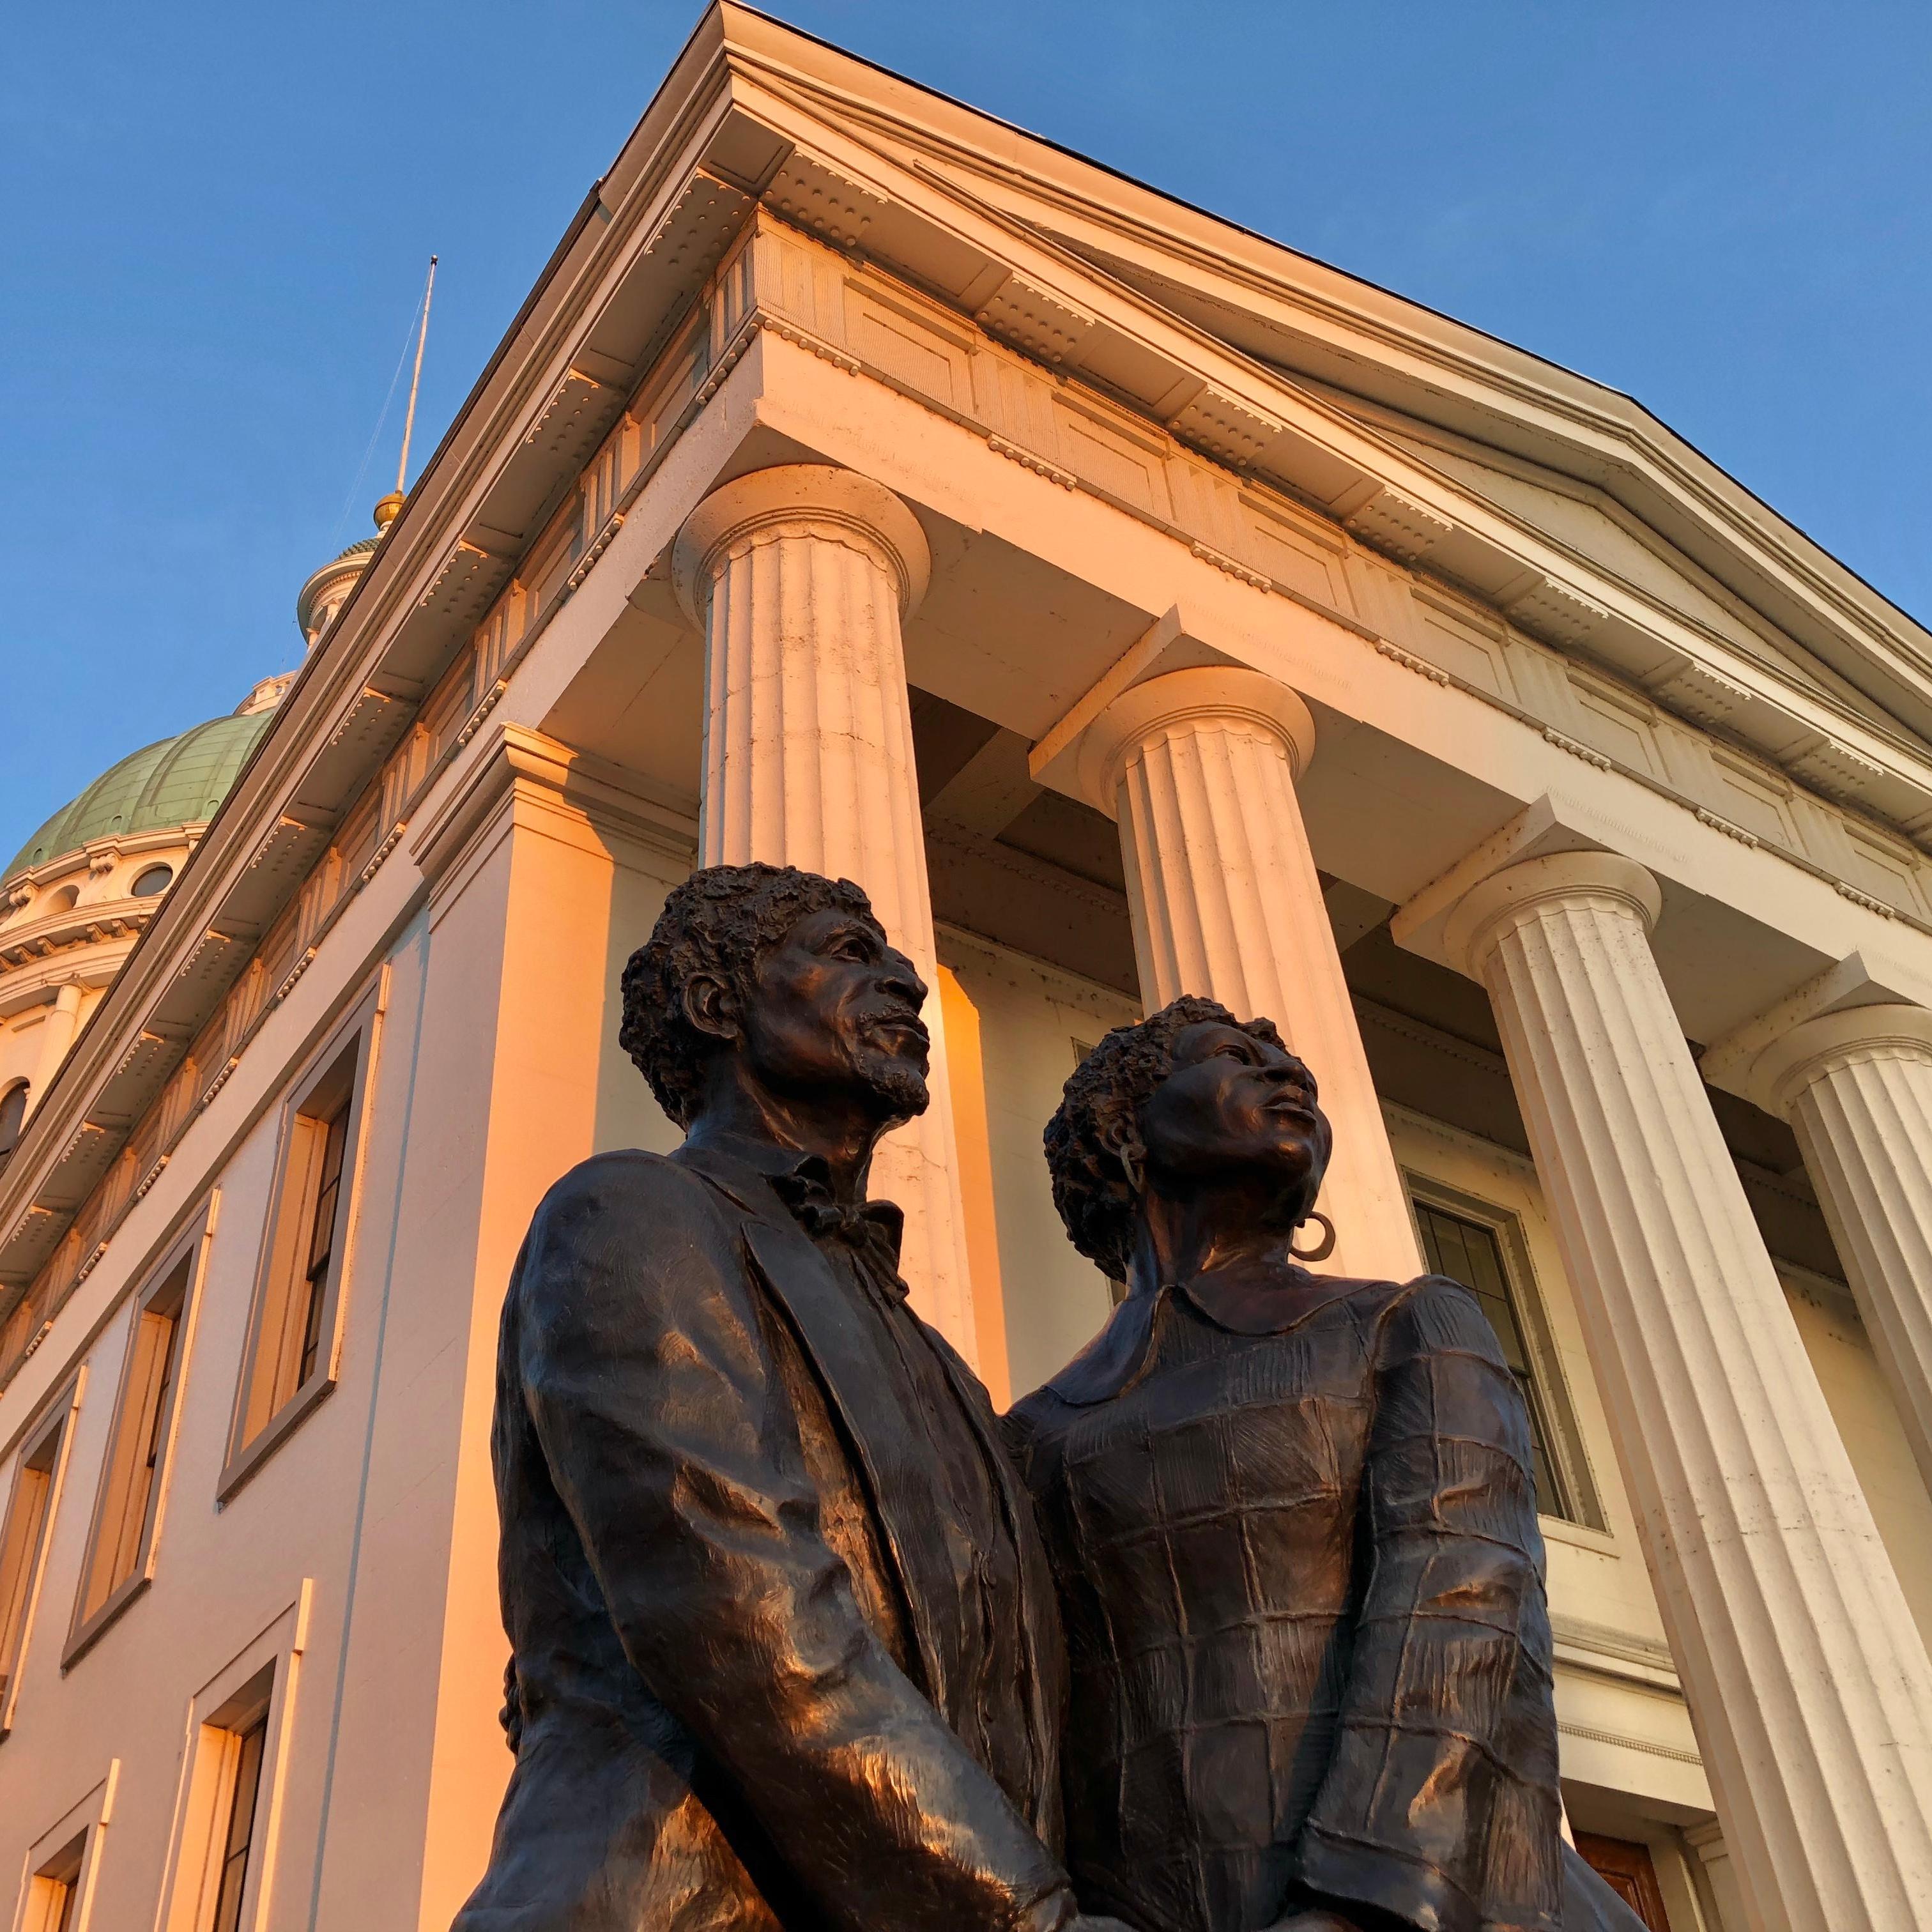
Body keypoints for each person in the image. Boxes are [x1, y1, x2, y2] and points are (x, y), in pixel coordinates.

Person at [455, 863, 1130, 1932]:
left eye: (896, 958)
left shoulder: (936, 1355)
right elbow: (734, 1607)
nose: (905, 981)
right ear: (716, 1006)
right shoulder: (631, 1213)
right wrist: (1023, 1918)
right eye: (850, 954)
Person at [1006, 995, 1646, 1932]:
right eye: (1235, 1057)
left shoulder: (1405, 1325)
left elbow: (1463, 1614)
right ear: (1122, 1126)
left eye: (1295, 1070)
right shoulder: (1034, 1435)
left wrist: (1362, 1904)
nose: (1288, 1076)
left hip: (1399, 1904)